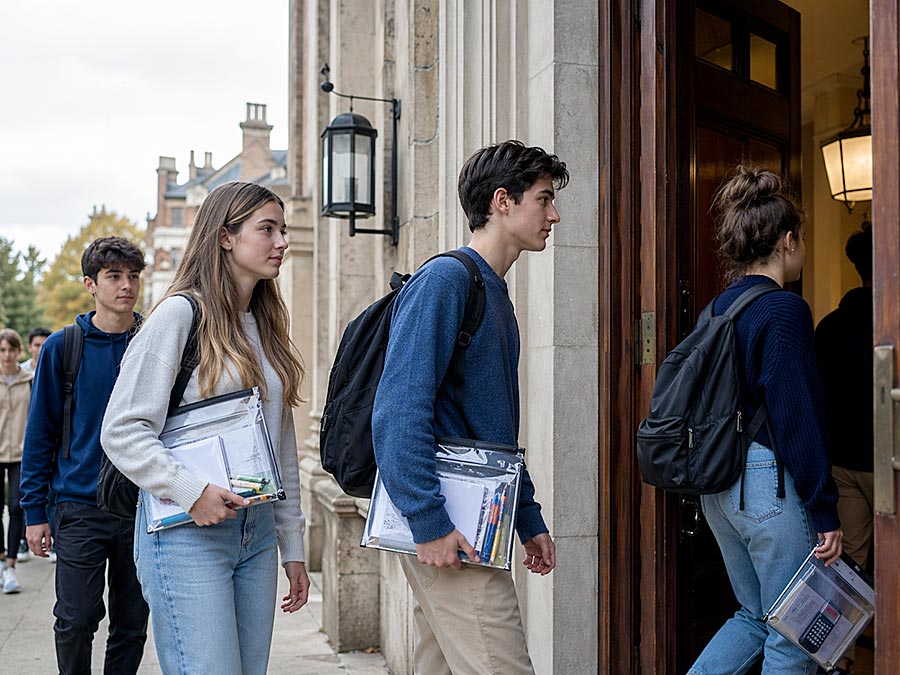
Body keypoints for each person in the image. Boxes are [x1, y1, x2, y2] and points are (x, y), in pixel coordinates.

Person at [371, 140, 566, 674]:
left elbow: (493, 428)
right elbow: (397, 411)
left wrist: (527, 516)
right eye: (544, 198)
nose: (554, 214)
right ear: (502, 201)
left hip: (478, 520)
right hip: (453, 526)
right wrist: (428, 522)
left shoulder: (492, 291)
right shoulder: (446, 280)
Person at [100, 181, 309, 675]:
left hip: (255, 534)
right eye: (268, 229)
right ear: (225, 237)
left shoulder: (265, 324)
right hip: (185, 532)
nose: (282, 241)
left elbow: (280, 446)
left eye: (283, 230)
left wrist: (292, 547)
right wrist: (192, 492)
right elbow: (122, 431)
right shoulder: (178, 315)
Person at [687, 166, 843, 675]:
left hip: (718, 486)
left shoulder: (716, 309)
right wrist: (824, 509)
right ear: (788, 240)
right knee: (794, 632)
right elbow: (795, 415)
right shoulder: (784, 309)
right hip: (766, 484)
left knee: (755, 616)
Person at [20, 237, 149, 674]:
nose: (126, 286)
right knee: (75, 620)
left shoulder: (155, 342)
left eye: (133, 276)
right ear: (90, 284)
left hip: (142, 505)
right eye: (114, 276)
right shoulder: (63, 347)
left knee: (132, 625)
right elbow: (40, 435)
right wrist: (34, 512)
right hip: (79, 504)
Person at [814, 222, 873, 675]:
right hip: (885, 463)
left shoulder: (830, 326)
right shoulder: (889, 318)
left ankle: (840, 658)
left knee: (848, 566)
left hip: (841, 462)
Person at [0, 329, 33, 593]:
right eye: (2, 350)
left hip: (22, 453)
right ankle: (1, 559)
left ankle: (11, 565)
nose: (7, 355)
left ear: (18, 351)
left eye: (11, 349)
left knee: (15, 507)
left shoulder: (30, 380)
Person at [17, 326, 51, 563]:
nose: (40, 349)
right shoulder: (22, 375)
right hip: (20, 444)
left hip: (46, 444)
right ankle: (21, 541)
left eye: (43, 344)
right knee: (16, 498)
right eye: (36, 345)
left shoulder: (55, 365)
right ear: (29, 347)